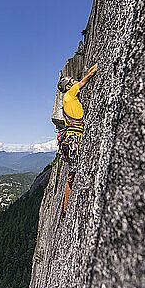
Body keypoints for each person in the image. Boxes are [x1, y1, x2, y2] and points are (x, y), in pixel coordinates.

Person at [57, 63, 98, 218]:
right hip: (75, 138)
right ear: (68, 86)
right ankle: (66, 209)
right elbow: (85, 80)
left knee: (71, 175)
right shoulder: (70, 94)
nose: (75, 82)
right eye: (72, 81)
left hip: (70, 138)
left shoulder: (68, 99)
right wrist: (95, 67)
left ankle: (65, 209)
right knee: (73, 174)